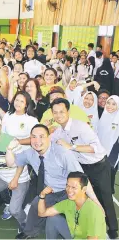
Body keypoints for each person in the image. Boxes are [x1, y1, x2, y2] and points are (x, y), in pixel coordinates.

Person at [6, 124, 98, 239]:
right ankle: (30, 232)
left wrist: (95, 201)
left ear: (49, 137)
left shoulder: (62, 153)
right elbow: (11, 163)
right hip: (49, 190)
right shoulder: (30, 153)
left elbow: (81, 178)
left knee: (77, 217)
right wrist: (9, 149)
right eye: (34, 137)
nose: (37, 141)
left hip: (67, 191)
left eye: (41, 136)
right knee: (35, 206)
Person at [50, 98, 118, 239]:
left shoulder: (81, 126)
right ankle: (91, 226)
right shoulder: (58, 132)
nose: (58, 115)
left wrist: (72, 147)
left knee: (105, 197)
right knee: (87, 198)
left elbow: (95, 148)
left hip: (99, 165)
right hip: (82, 167)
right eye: (55, 112)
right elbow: (44, 139)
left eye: (61, 111)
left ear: (68, 111)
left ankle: (112, 229)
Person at [38, 172, 106, 239]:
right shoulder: (69, 202)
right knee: (52, 219)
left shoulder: (93, 211)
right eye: (67, 186)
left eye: (74, 187)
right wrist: (42, 195)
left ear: (84, 189)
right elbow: (42, 213)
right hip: (75, 235)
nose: (69, 190)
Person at [97, 95, 119, 193]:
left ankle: (109, 191)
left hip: (113, 151)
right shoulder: (103, 116)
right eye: (108, 103)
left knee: (109, 172)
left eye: (114, 104)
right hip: (101, 150)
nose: (110, 106)